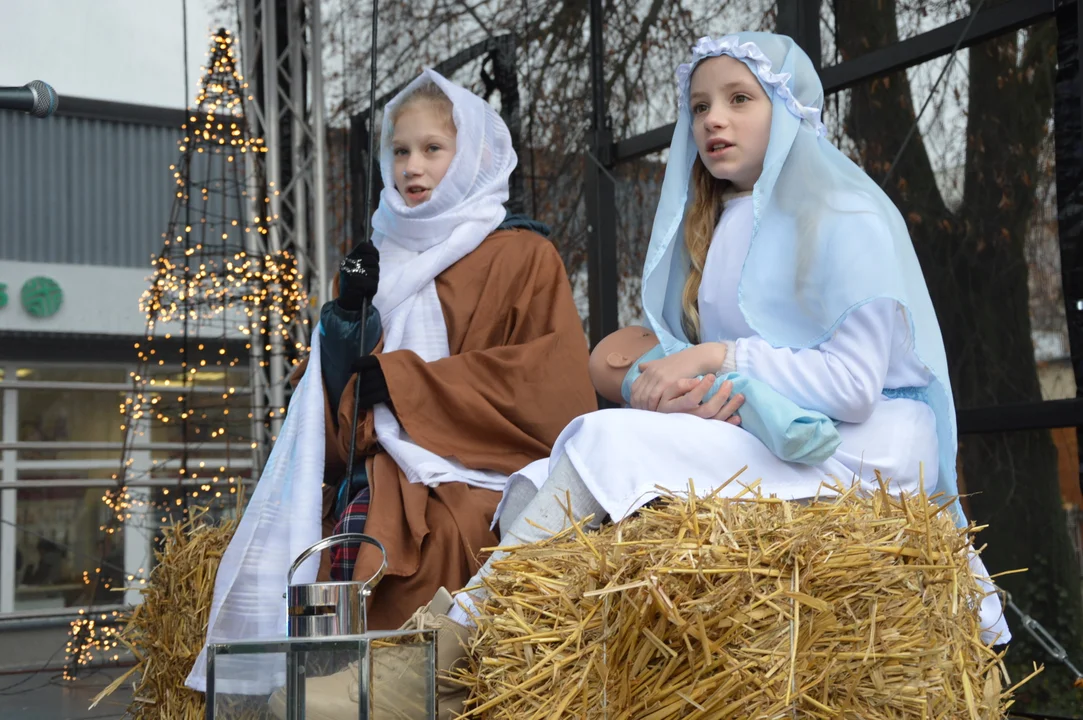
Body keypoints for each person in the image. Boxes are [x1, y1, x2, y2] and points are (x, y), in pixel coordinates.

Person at [373, 31, 1012, 715]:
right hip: (773, 425)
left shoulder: (843, 215)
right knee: (539, 483)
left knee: (600, 442)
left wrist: (715, 360)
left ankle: (437, 660)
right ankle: (497, 673)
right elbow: (726, 356)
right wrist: (682, 390)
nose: (713, 119)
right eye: (700, 104)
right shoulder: (719, 222)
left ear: (786, 107)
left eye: (740, 99)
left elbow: (853, 387)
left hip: (862, 442)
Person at [186, 69, 596, 710]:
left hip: (478, 472)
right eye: (400, 151)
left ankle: (379, 696)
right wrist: (342, 341)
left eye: (433, 149)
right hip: (372, 471)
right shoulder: (375, 260)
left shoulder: (522, 256)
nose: (413, 166)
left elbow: (550, 388)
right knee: (309, 551)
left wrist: (405, 384)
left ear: (472, 158)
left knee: (437, 536)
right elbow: (324, 421)